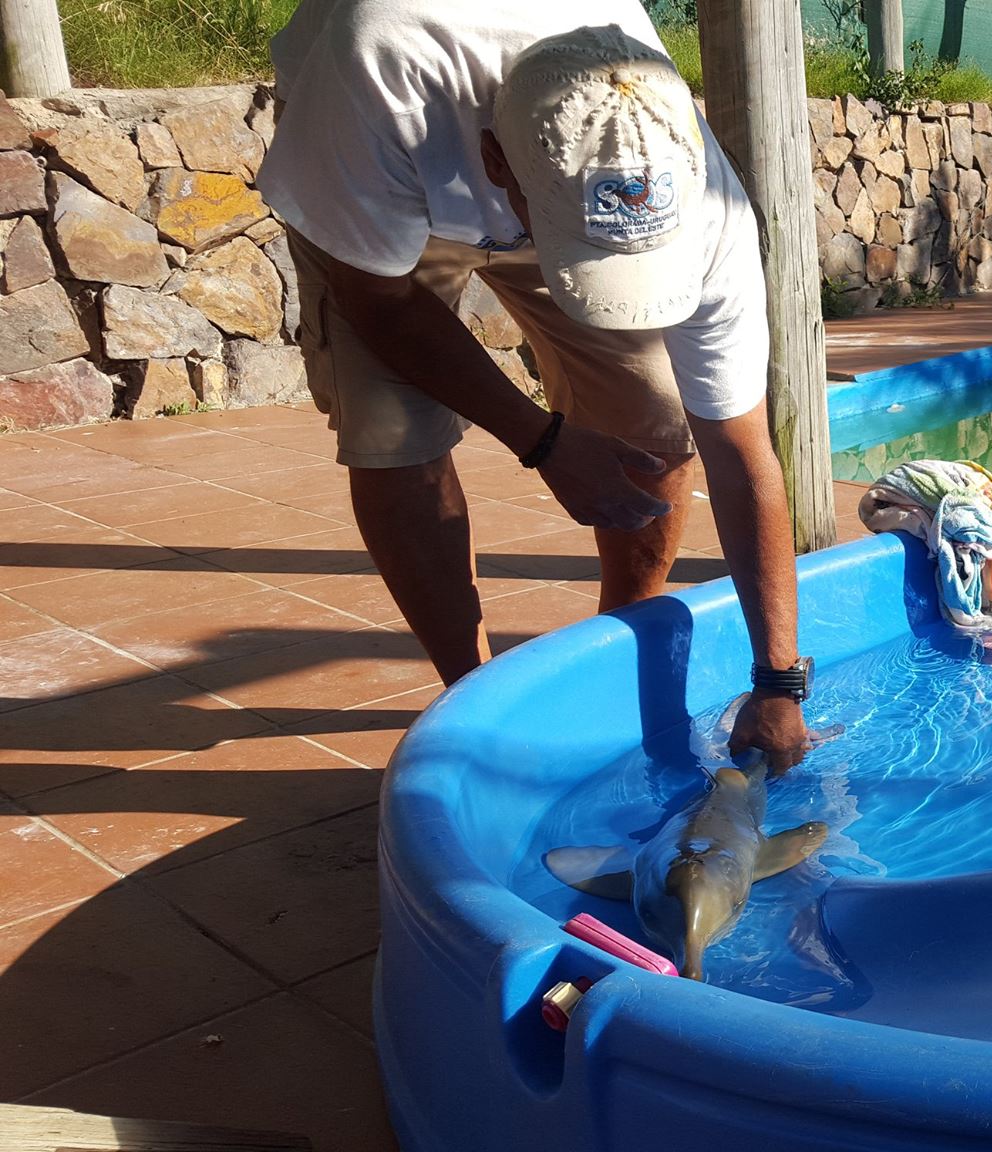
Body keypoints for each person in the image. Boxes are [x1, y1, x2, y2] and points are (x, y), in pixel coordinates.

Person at [259, 3, 814, 768]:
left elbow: (741, 446)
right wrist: (540, 439)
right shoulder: (380, 65)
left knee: (655, 417)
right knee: (395, 432)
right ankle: (472, 706)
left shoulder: (701, 197)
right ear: (493, 163)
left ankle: (622, 632)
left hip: (529, 175)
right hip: (382, 161)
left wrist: (779, 682)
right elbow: (378, 301)